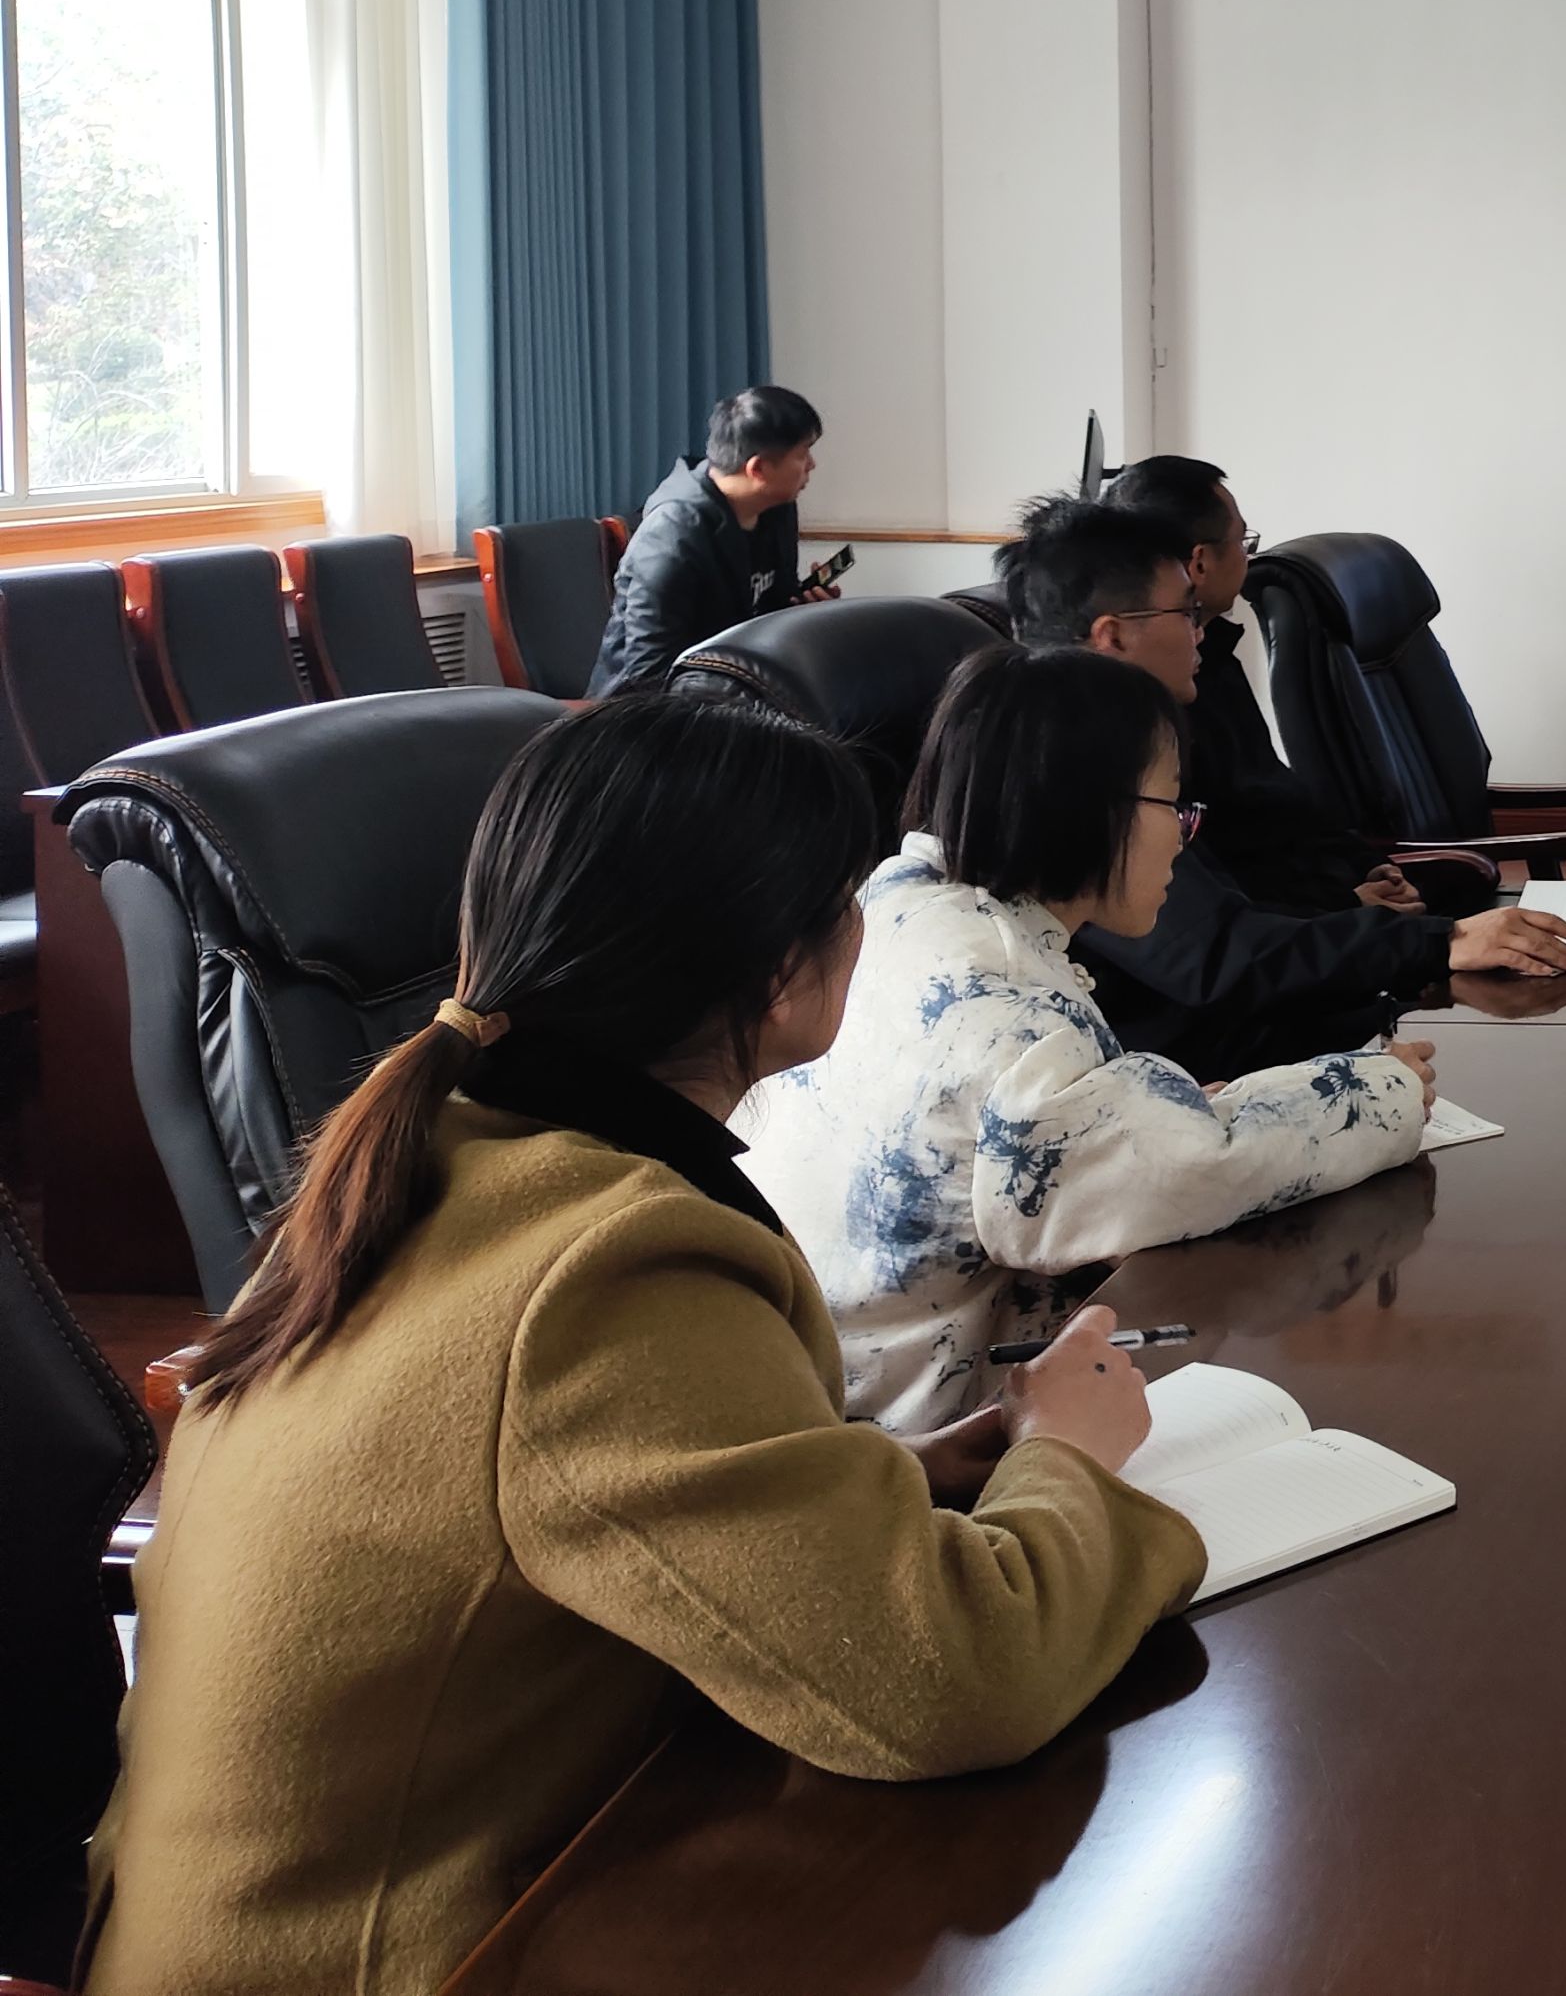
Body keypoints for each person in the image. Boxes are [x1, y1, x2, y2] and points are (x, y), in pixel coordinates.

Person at [81, 694, 1202, 1996]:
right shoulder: (606, 1269)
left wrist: (886, 1476)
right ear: (781, 970)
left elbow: (549, 1499)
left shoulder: (439, 1161)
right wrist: (1069, 1453)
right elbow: (957, 1680)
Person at [742, 644, 1444, 1426]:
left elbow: (1083, 1144)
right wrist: (1385, 1088)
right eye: (1171, 803)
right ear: (1089, 807)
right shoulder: (1009, 1000)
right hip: (921, 1436)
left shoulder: (892, 900)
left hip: (817, 1378)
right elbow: (1188, 1170)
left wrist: (1159, 1112)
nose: (1184, 835)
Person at [997, 498, 1566, 1080]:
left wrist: (1355, 907)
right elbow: (1215, 959)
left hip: (1259, 1028)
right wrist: (1439, 941)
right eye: (1186, 612)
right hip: (1193, 1080)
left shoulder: (1115, 734)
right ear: (1113, 636)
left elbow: (1237, 896)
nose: (1201, 631)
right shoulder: (1063, 772)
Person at [1103, 453, 1420, 916]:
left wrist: (1367, 866)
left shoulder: (1213, 657)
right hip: (1287, 928)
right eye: (1242, 540)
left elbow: (1281, 799)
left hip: (1318, 909)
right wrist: (1343, 905)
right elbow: (1214, 886)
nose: (1248, 556)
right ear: (1200, 562)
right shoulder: (1139, 711)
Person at [593, 382, 833, 693]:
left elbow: (770, 614)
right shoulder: (672, 535)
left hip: (736, 687)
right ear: (758, 469)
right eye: (802, 454)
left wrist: (805, 611)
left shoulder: (777, 507)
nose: (812, 465)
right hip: (651, 707)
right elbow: (649, 671)